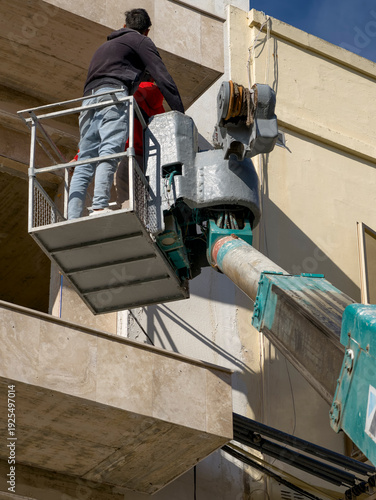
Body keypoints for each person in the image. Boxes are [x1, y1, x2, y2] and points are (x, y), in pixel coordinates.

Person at [68, 8, 184, 219]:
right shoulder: (140, 41)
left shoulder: (105, 46)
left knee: (85, 158)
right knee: (110, 150)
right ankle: (100, 206)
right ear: (147, 31)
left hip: (87, 100)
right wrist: (181, 114)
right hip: (112, 95)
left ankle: (72, 215)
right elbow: (163, 78)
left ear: (123, 26)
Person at [116, 79, 165, 207]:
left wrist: (79, 156)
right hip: (153, 159)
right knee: (151, 203)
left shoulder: (131, 93)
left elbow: (110, 127)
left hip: (131, 155)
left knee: (128, 203)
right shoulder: (160, 108)